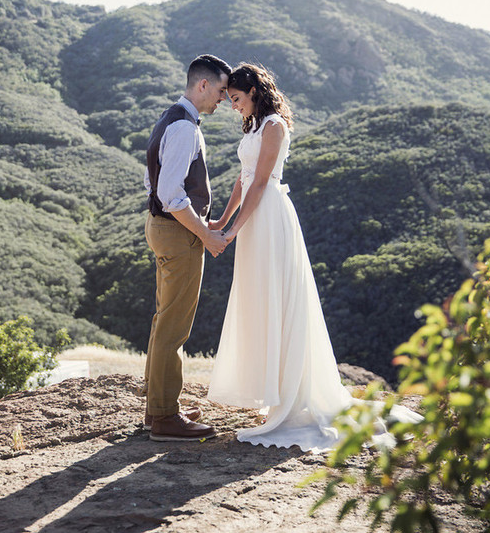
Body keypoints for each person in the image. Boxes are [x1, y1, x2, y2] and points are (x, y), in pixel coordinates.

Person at [208, 63, 421, 451]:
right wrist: (222, 220)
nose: (233, 106)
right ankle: (275, 391)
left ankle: (291, 398)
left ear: (253, 91)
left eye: (236, 99)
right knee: (259, 299)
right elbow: (242, 178)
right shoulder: (253, 126)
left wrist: (232, 230)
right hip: (253, 219)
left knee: (278, 298)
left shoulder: (274, 126)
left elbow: (260, 183)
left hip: (269, 216)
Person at [143, 53, 231, 442]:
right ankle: (165, 417)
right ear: (203, 85)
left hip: (165, 228)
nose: (223, 99)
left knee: (164, 319)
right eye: (221, 91)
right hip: (178, 234)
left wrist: (196, 219)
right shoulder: (185, 128)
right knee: (174, 326)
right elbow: (169, 193)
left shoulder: (170, 118)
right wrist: (204, 234)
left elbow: (154, 183)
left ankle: (157, 408)